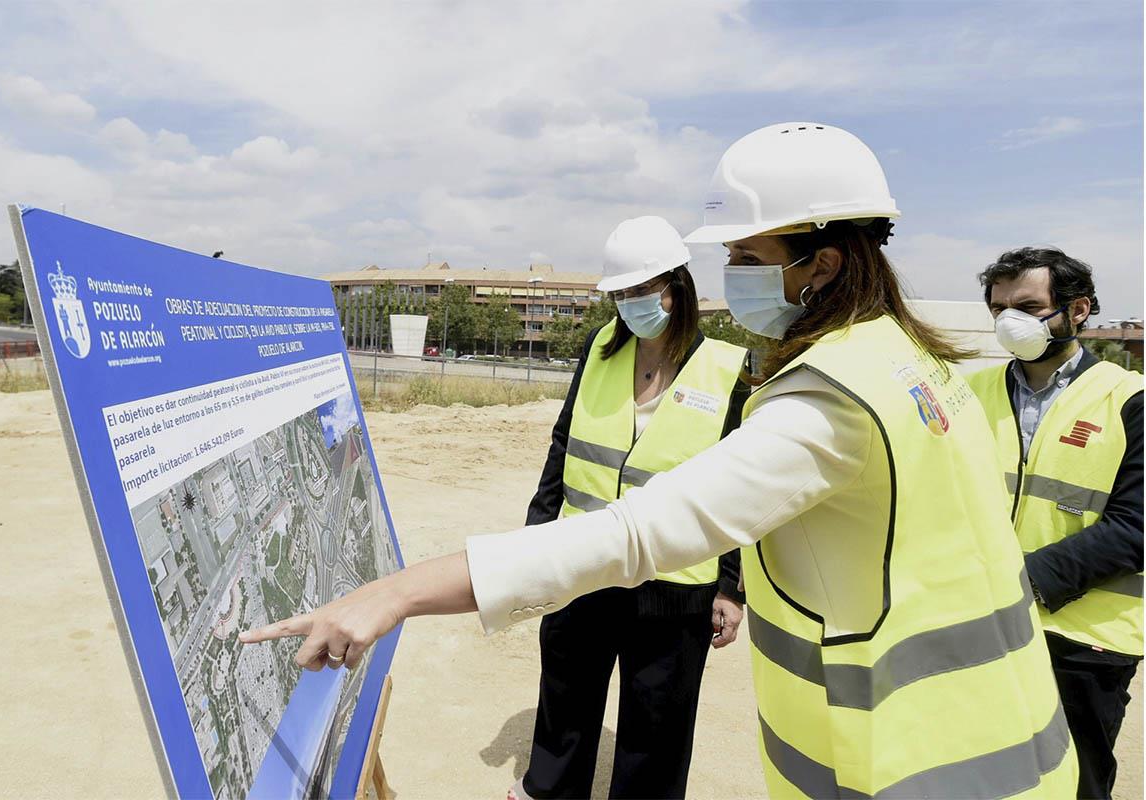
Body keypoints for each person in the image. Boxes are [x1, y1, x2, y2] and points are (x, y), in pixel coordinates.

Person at [242, 123, 1079, 798]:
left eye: (747, 259)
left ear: (821, 264)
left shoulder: (828, 397)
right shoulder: (905, 360)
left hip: (913, 761)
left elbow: (642, 530)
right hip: (1001, 740)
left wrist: (393, 594)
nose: (733, 275)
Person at [516, 216, 749, 800]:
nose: (631, 304)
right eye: (621, 293)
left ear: (678, 286)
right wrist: (534, 539)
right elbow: (564, 445)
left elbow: (741, 491)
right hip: (584, 562)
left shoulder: (728, 370)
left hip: (674, 583)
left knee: (657, 728)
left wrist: (731, 587)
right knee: (565, 698)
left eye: (643, 291)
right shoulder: (600, 349)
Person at [968, 248, 1143, 800]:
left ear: (1078, 309)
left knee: (1073, 782)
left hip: (1085, 640)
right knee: (981, 777)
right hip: (982, 624)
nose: (1009, 322)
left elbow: (1136, 527)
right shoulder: (971, 396)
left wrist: (1022, 582)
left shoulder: (1129, 399)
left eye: (1026, 307)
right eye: (998, 309)